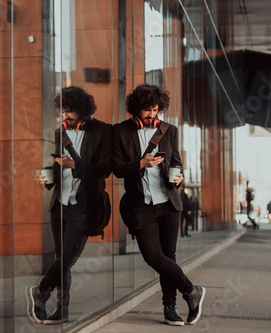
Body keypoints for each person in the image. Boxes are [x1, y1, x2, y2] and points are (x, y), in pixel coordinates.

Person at [112, 84, 206, 326]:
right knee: (154, 256)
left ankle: (170, 307)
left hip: (168, 202)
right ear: (136, 108)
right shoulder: (121, 131)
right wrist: (141, 163)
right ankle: (192, 291)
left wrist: (178, 176)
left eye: (155, 109)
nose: (152, 115)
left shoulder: (169, 130)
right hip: (140, 205)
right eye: (147, 110)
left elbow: (177, 163)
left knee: (169, 256)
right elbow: (117, 168)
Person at [27, 86, 111, 325]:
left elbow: (104, 168)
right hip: (59, 203)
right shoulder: (59, 132)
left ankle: (40, 291)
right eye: (63, 112)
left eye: (70, 113)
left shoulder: (103, 131)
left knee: (68, 258)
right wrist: (48, 176)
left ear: (84, 111)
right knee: (61, 257)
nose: (66, 117)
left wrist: (75, 165)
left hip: (84, 204)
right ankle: (61, 309)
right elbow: (58, 165)